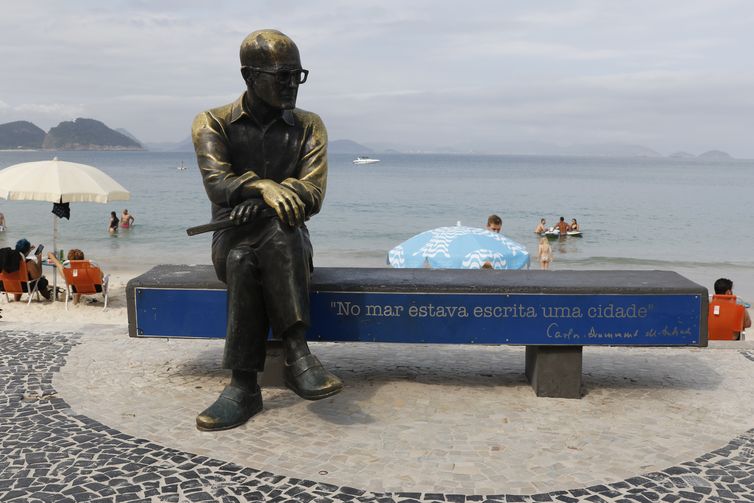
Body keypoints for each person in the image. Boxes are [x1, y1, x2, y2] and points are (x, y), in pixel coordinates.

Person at [192, 29, 340, 431]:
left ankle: (242, 387)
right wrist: (265, 186)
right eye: (282, 76)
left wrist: (273, 201)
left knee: (256, 251)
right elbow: (217, 184)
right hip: (230, 236)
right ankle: (298, 355)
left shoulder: (310, 126)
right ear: (249, 76)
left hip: (291, 244)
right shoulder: (213, 123)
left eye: (297, 75)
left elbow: (312, 193)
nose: (293, 85)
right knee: (241, 250)